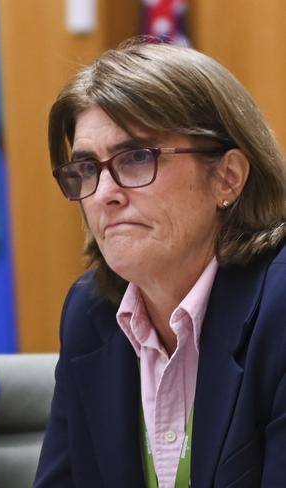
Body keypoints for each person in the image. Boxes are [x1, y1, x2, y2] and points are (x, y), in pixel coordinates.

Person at [34, 39, 286, 487]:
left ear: (227, 176)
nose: (105, 193)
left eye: (136, 158)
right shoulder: (90, 314)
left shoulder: (279, 311)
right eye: (87, 169)